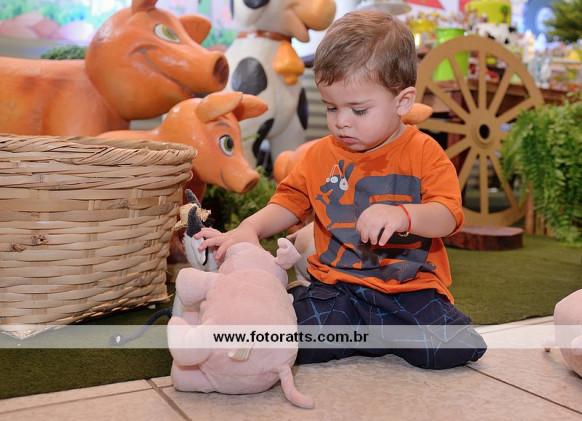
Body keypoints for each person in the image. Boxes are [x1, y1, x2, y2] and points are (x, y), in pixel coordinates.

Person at [197, 9, 487, 369]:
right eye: (331, 107)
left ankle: (370, 335)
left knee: (456, 348)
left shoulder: (425, 152)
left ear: (403, 102)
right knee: (287, 339)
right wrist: (250, 228)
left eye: (358, 110)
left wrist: (404, 216)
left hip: (408, 291)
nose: (341, 122)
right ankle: (356, 330)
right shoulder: (320, 154)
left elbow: (448, 216)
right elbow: (289, 202)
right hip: (337, 289)